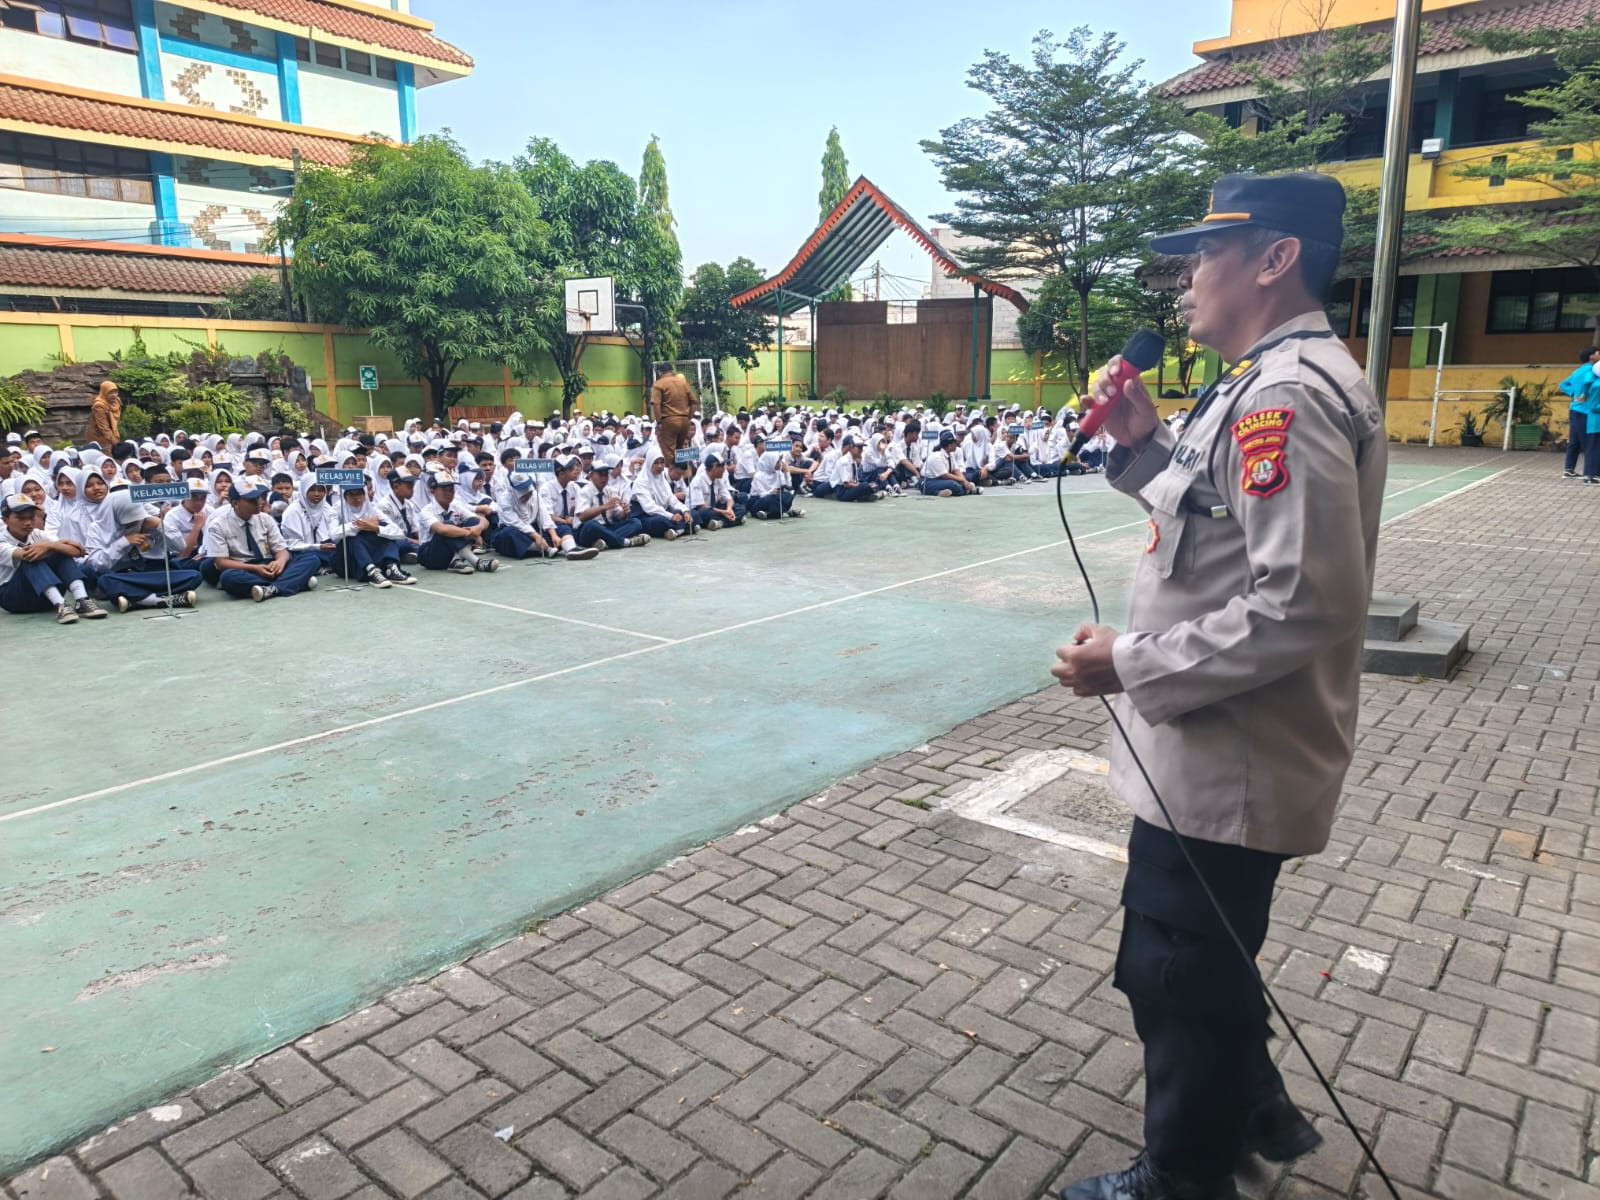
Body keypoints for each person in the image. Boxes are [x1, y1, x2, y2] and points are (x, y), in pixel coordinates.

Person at [1050, 172, 1387, 1200]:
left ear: (1274, 259)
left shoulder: (1283, 396)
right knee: (1191, 963)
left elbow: (1304, 602)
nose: (1188, 272)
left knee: (1173, 975)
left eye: (1207, 251)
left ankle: (1182, 1178)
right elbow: (1211, 521)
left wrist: (1130, 663)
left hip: (1225, 760)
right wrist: (1140, 441)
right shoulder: (1257, 383)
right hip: (1209, 748)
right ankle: (1253, 1111)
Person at [203, 483, 322, 601]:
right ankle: (294, 582)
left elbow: (281, 550)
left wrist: (280, 562)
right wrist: (255, 568)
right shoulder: (218, 525)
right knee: (228, 578)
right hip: (245, 568)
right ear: (235, 503)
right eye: (251, 500)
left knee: (311, 559)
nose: (259, 502)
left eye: (258, 497)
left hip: (270, 565)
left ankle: (273, 588)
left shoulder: (265, 518)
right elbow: (221, 562)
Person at [0, 494, 107, 622]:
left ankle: (82, 600)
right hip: (14, 598)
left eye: (31, 517)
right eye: (20, 518)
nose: (27, 523)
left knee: (58, 553)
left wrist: (50, 545)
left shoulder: (37, 534)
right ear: (5, 520)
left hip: (44, 598)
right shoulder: (2, 540)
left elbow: (77, 552)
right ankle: (61, 605)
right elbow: (27, 555)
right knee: (31, 557)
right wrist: (55, 546)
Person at [1559, 346, 1599, 480]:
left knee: (1574, 441)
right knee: (1590, 442)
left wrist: (1574, 394)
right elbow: (1590, 386)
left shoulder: (1577, 371)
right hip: (1586, 411)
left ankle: (1569, 469)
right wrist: (1584, 394)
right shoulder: (1592, 371)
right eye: (1598, 353)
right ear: (1591, 357)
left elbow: (1563, 384)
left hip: (1574, 409)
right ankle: (1591, 474)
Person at [651, 365, 696, 460]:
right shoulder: (683, 383)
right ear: (672, 371)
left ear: (660, 373)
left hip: (668, 421)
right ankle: (683, 473)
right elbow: (694, 403)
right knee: (680, 454)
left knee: (668, 455)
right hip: (684, 421)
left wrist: (659, 422)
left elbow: (656, 405)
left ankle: (671, 473)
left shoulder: (659, 384)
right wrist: (688, 419)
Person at [920, 431, 973, 497]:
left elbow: (956, 470)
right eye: (954, 443)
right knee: (953, 485)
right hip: (927, 482)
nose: (956, 445)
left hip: (940, 480)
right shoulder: (937, 457)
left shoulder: (951, 454)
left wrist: (964, 481)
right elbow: (945, 475)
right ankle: (967, 490)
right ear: (950, 445)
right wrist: (963, 481)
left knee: (964, 480)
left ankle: (940, 492)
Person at [84, 381, 122, 448]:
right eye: (110, 392)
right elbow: (103, 427)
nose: (114, 395)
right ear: (104, 392)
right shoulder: (99, 405)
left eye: (115, 392)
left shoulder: (116, 401)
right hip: (99, 436)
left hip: (112, 433)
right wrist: (115, 442)